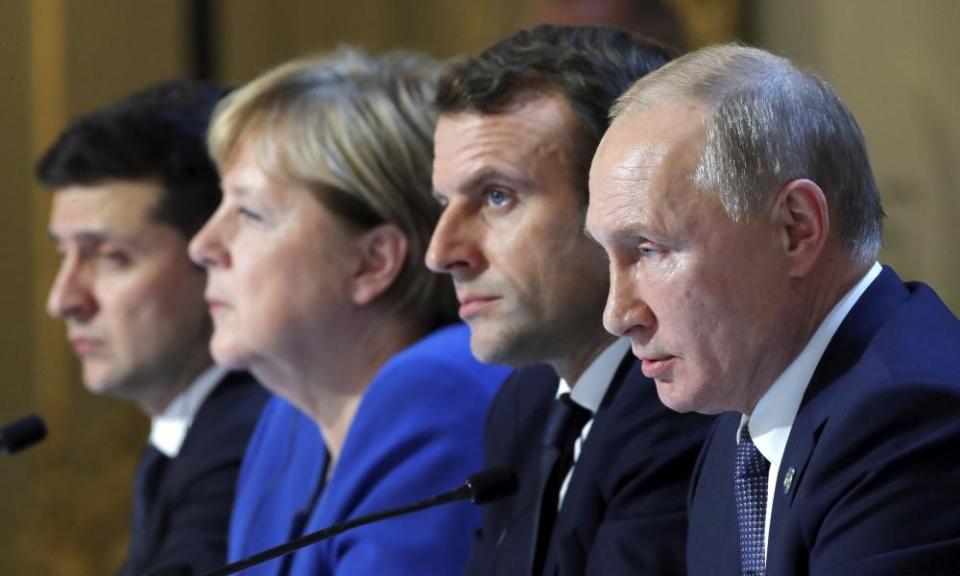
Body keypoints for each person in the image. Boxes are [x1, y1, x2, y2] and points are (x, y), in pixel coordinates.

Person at [587, 44, 960, 575]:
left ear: (796, 228)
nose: (617, 313)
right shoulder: (735, 436)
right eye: (608, 256)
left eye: (649, 249)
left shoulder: (910, 419)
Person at [188, 49, 509, 576]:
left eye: (249, 212)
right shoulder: (288, 417)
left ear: (372, 261)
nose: (203, 245)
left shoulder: (437, 394)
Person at [426, 25, 713, 575]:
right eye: (443, 201)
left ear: (619, 203)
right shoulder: (525, 403)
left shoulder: (683, 409)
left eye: (496, 196)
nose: (443, 252)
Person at [39, 80, 269, 576]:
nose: (63, 301)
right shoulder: (195, 425)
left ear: (214, 256)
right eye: (64, 254)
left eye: (109, 257)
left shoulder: (240, 444)